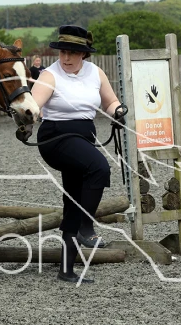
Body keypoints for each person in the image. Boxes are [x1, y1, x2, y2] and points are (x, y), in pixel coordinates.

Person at [29, 25, 125, 283]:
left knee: (73, 197)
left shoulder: (95, 73)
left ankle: (66, 269)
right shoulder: (49, 75)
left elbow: (110, 101)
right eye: (62, 52)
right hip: (56, 138)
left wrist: (118, 112)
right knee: (99, 168)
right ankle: (86, 226)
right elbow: (35, 104)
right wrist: (29, 113)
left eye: (72, 52)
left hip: (83, 139)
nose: (66, 57)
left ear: (84, 54)